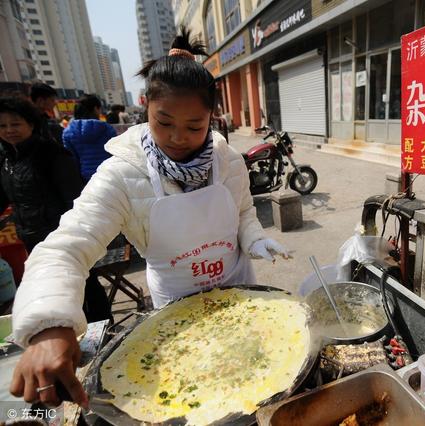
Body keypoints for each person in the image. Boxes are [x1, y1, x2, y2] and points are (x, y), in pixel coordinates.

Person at [10, 28, 289, 408]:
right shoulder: (121, 175)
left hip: (242, 294)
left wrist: (255, 238)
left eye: (195, 126)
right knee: (202, 394)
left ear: (213, 117)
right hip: (176, 309)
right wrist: (48, 325)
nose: (177, 137)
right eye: (164, 122)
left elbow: (242, 212)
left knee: (261, 384)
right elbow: (65, 248)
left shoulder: (229, 161)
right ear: (145, 109)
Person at [0, 96, 112, 322]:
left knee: (84, 286)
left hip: (64, 235)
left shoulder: (51, 154)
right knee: (53, 292)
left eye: (15, 124)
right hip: (32, 238)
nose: (9, 130)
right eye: (2, 125)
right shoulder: (6, 160)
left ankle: (103, 331)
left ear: (31, 124)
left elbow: (75, 198)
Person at [63, 95, 116, 182]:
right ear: (95, 108)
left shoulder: (68, 132)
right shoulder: (107, 129)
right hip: (109, 175)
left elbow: (72, 160)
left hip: (85, 179)